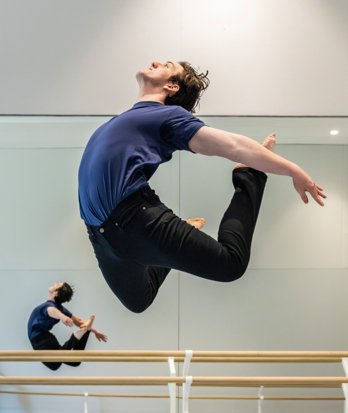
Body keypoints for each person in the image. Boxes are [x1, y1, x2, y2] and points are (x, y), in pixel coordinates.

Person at [78, 60, 326, 313]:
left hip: (134, 218)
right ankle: (175, 242)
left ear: (172, 86)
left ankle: (248, 176)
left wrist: (293, 170)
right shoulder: (115, 121)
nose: (155, 62)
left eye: (166, 64)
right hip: (101, 234)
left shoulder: (168, 116)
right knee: (138, 301)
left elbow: (233, 145)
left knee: (231, 264)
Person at [27, 282, 107, 370]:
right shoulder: (60, 308)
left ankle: (75, 336)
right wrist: (95, 331)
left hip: (40, 340)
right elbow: (80, 322)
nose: (55, 283)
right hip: (47, 339)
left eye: (56, 284)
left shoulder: (48, 305)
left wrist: (63, 317)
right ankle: (84, 332)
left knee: (54, 365)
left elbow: (51, 311)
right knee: (75, 361)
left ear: (56, 293)